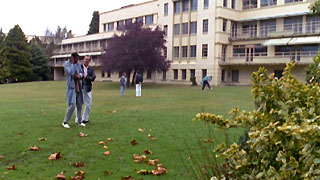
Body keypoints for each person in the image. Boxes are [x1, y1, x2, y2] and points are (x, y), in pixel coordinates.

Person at [62, 52, 85, 128]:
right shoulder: (67, 64)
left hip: (78, 85)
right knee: (72, 105)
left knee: (79, 104)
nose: (78, 60)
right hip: (71, 87)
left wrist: (80, 75)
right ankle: (65, 122)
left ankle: (79, 121)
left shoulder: (79, 64)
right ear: (73, 58)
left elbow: (82, 72)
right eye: (76, 59)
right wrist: (72, 63)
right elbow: (71, 72)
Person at [80, 55, 96, 123]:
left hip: (88, 87)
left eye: (87, 60)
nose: (85, 60)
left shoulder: (91, 69)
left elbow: (93, 77)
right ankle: (79, 118)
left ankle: (85, 118)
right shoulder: (79, 67)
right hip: (81, 87)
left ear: (89, 61)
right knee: (80, 103)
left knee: (89, 103)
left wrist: (87, 77)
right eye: (85, 59)